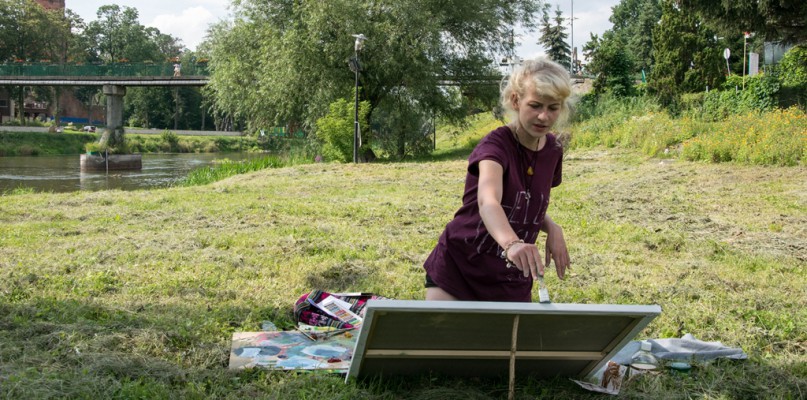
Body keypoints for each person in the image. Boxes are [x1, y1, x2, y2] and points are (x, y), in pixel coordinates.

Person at [423, 56, 572, 302]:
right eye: (535, 105)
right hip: (459, 270)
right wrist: (512, 243)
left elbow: (525, 202)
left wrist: (552, 227)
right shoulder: (494, 147)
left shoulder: (553, 150)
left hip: (509, 280)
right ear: (516, 100)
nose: (544, 116)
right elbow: (489, 202)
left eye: (553, 108)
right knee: (444, 340)